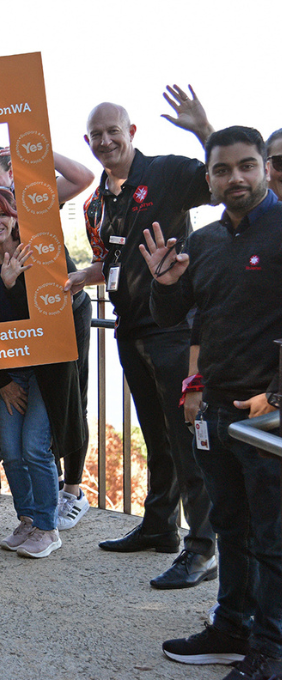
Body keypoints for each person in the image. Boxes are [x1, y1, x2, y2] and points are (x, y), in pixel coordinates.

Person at [141, 125, 282, 680]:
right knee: (231, 526)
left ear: (262, 168)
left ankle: (270, 651)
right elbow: (175, 317)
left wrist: (276, 397)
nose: (236, 178)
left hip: (268, 416)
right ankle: (231, 628)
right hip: (218, 411)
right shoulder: (203, 241)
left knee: (273, 537)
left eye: (246, 165)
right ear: (210, 178)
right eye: (222, 170)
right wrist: (165, 282)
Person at [64, 88, 216, 589]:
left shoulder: (167, 173)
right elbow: (111, 258)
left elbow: (223, 179)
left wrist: (202, 127)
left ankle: (203, 547)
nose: (106, 141)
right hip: (131, 328)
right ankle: (159, 527)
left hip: (173, 328)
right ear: (88, 142)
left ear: (131, 133)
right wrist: (84, 277)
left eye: (114, 131)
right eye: (97, 135)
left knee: (187, 437)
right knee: (157, 435)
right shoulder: (98, 200)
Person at [0, 187, 85, 558]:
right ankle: (28, 520)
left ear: (18, 217)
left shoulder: (39, 252)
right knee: (10, 450)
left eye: (3, 213)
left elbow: (50, 316)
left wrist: (12, 284)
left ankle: (48, 528)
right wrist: (1, 380)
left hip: (47, 370)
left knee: (36, 447)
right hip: (7, 371)